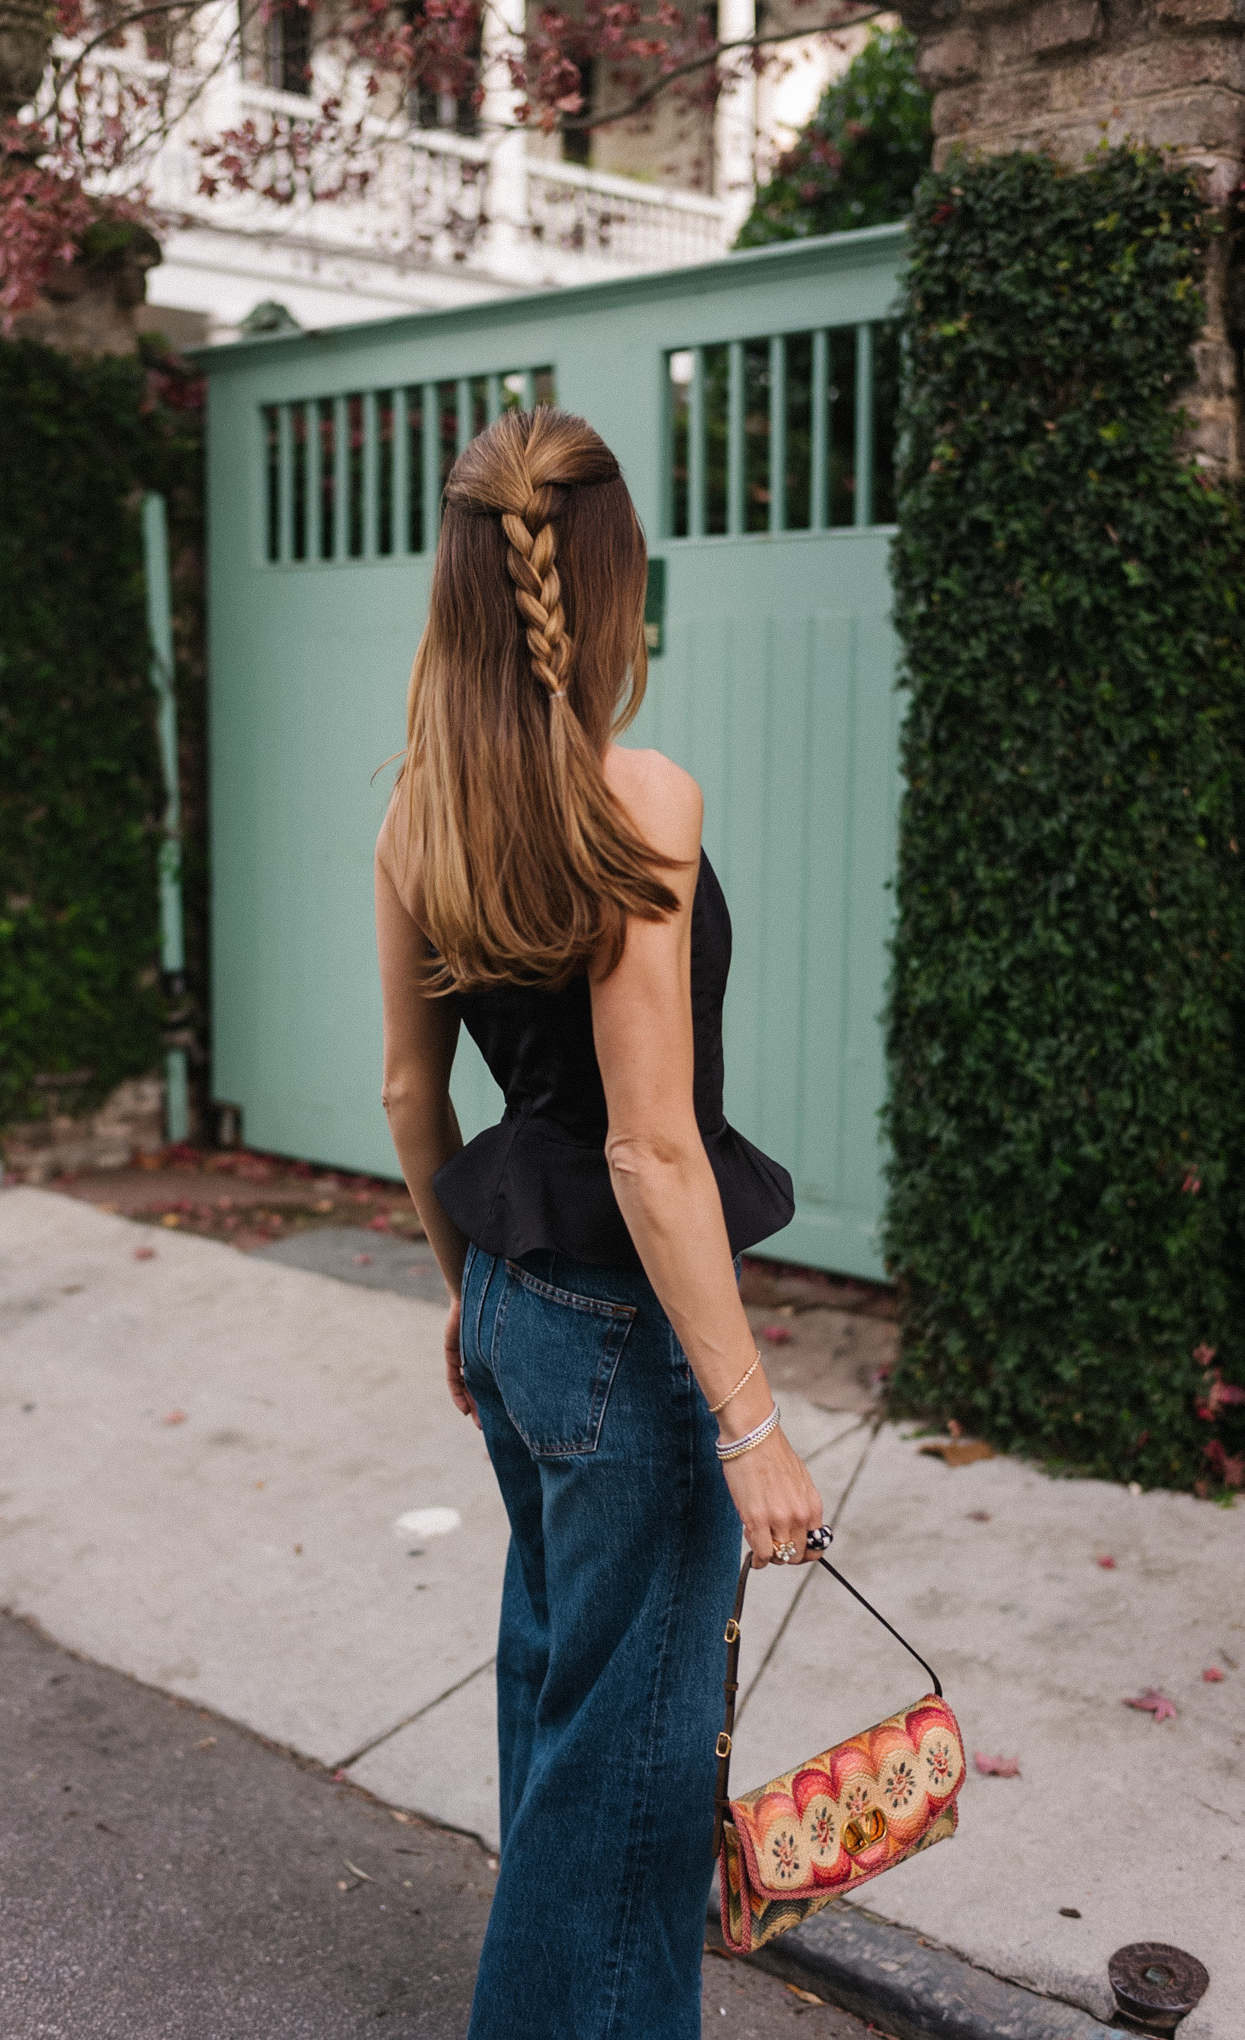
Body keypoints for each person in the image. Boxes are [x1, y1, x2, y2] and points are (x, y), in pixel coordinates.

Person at [375, 405, 824, 2040]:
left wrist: (465, 1290)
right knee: (629, 1785)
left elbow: (412, 1107)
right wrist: (752, 1419)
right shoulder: (642, 793)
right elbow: (651, 1153)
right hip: (625, 1347)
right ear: (615, 581)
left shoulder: (418, 812)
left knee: (563, 1706)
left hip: (513, 1307)